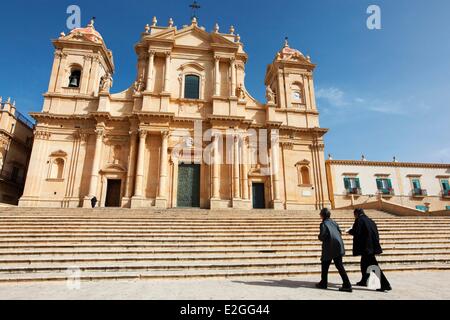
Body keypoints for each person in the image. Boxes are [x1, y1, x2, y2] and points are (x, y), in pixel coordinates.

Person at [348, 208, 392, 292]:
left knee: (374, 265)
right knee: (364, 264)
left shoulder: (359, 220)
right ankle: (364, 280)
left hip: (366, 248)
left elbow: (357, 232)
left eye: (354, 215)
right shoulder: (370, 221)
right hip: (372, 246)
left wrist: (350, 231)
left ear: (356, 214)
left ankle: (385, 284)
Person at [316, 208, 353, 292]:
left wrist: (319, 237)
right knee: (339, 266)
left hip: (330, 247)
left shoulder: (323, 224)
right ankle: (347, 284)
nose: (320, 215)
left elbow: (322, 236)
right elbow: (339, 232)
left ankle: (323, 283)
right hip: (338, 246)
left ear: (322, 215)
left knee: (325, 265)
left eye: (320, 214)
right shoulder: (334, 222)